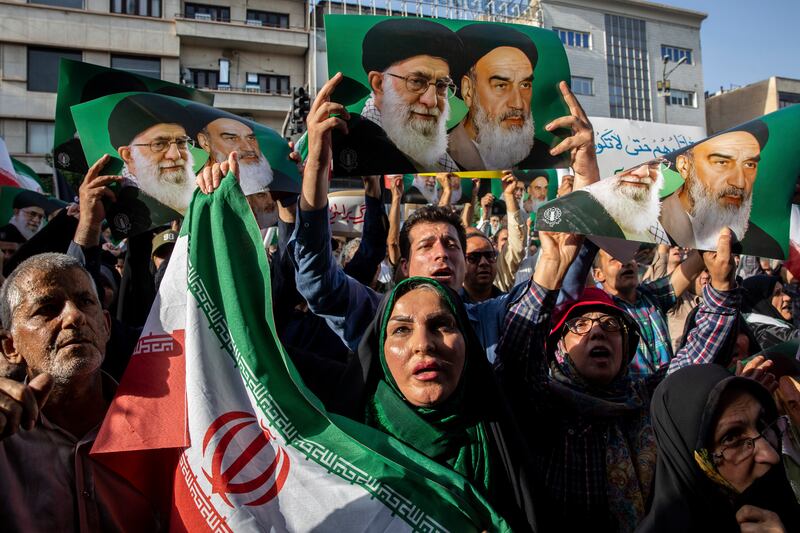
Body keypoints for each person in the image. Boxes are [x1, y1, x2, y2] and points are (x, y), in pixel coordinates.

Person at [333, 277, 537, 531]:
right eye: (401, 330)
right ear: (380, 349)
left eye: (441, 325)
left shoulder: (501, 437)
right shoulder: (344, 446)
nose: (423, 345)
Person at [496, 230, 658, 532]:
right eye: (580, 324)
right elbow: (515, 361)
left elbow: (694, 362)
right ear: (558, 347)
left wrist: (723, 289)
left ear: (626, 347)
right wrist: (548, 273)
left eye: (610, 325)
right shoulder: (543, 404)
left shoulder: (646, 401)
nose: (597, 332)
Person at [0, 253, 158, 530]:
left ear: (106, 326)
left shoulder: (161, 426)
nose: (74, 316)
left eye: (86, 302)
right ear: (10, 347)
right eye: (47, 308)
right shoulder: (4, 438)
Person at [639, 364, 800, 532]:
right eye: (731, 438)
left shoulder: (781, 505)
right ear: (694, 461)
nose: (770, 454)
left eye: (761, 423)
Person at [331, 18, 463, 175]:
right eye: (416, 82)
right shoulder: (345, 140)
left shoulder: (445, 160)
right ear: (379, 83)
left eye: (441, 86)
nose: (431, 100)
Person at [447, 24, 567, 170]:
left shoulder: (549, 157)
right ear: (468, 90)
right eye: (501, 86)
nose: (518, 104)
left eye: (524, 85)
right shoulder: (434, 157)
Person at [659, 121, 783, 257]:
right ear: (684, 166)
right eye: (722, 163)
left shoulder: (765, 245)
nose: (740, 182)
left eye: (749, 164)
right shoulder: (652, 226)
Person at [591, 243, 704, 378]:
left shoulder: (651, 296)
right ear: (599, 274)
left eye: (627, 256)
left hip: (668, 391)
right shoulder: (602, 310)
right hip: (631, 396)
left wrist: (709, 241)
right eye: (615, 259)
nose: (625, 262)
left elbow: (695, 264)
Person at [537, 159, 671, 244]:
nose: (643, 173)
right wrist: (568, 205)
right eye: (633, 164)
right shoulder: (580, 216)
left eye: (653, 164)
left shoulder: (653, 223)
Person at [109, 93, 197, 214]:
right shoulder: (110, 202)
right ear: (128, 155)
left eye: (181, 142)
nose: (175, 155)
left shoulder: (201, 189)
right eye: (159, 144)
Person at [196, 116, 273, 196]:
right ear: (205, 142)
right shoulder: (194, 185)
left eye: (251, 138)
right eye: (232, 138)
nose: (248, 148)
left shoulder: (281, 183)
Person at [741, 275, 799, 349]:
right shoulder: (762, 333)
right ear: (761, 303)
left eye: (784, 292)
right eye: (777, 293)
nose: (787, 297)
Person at [461, 232, 501, 303]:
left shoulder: (509, 304)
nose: (484, 262)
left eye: (489, 255)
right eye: (474, 257)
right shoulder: (451, 306)